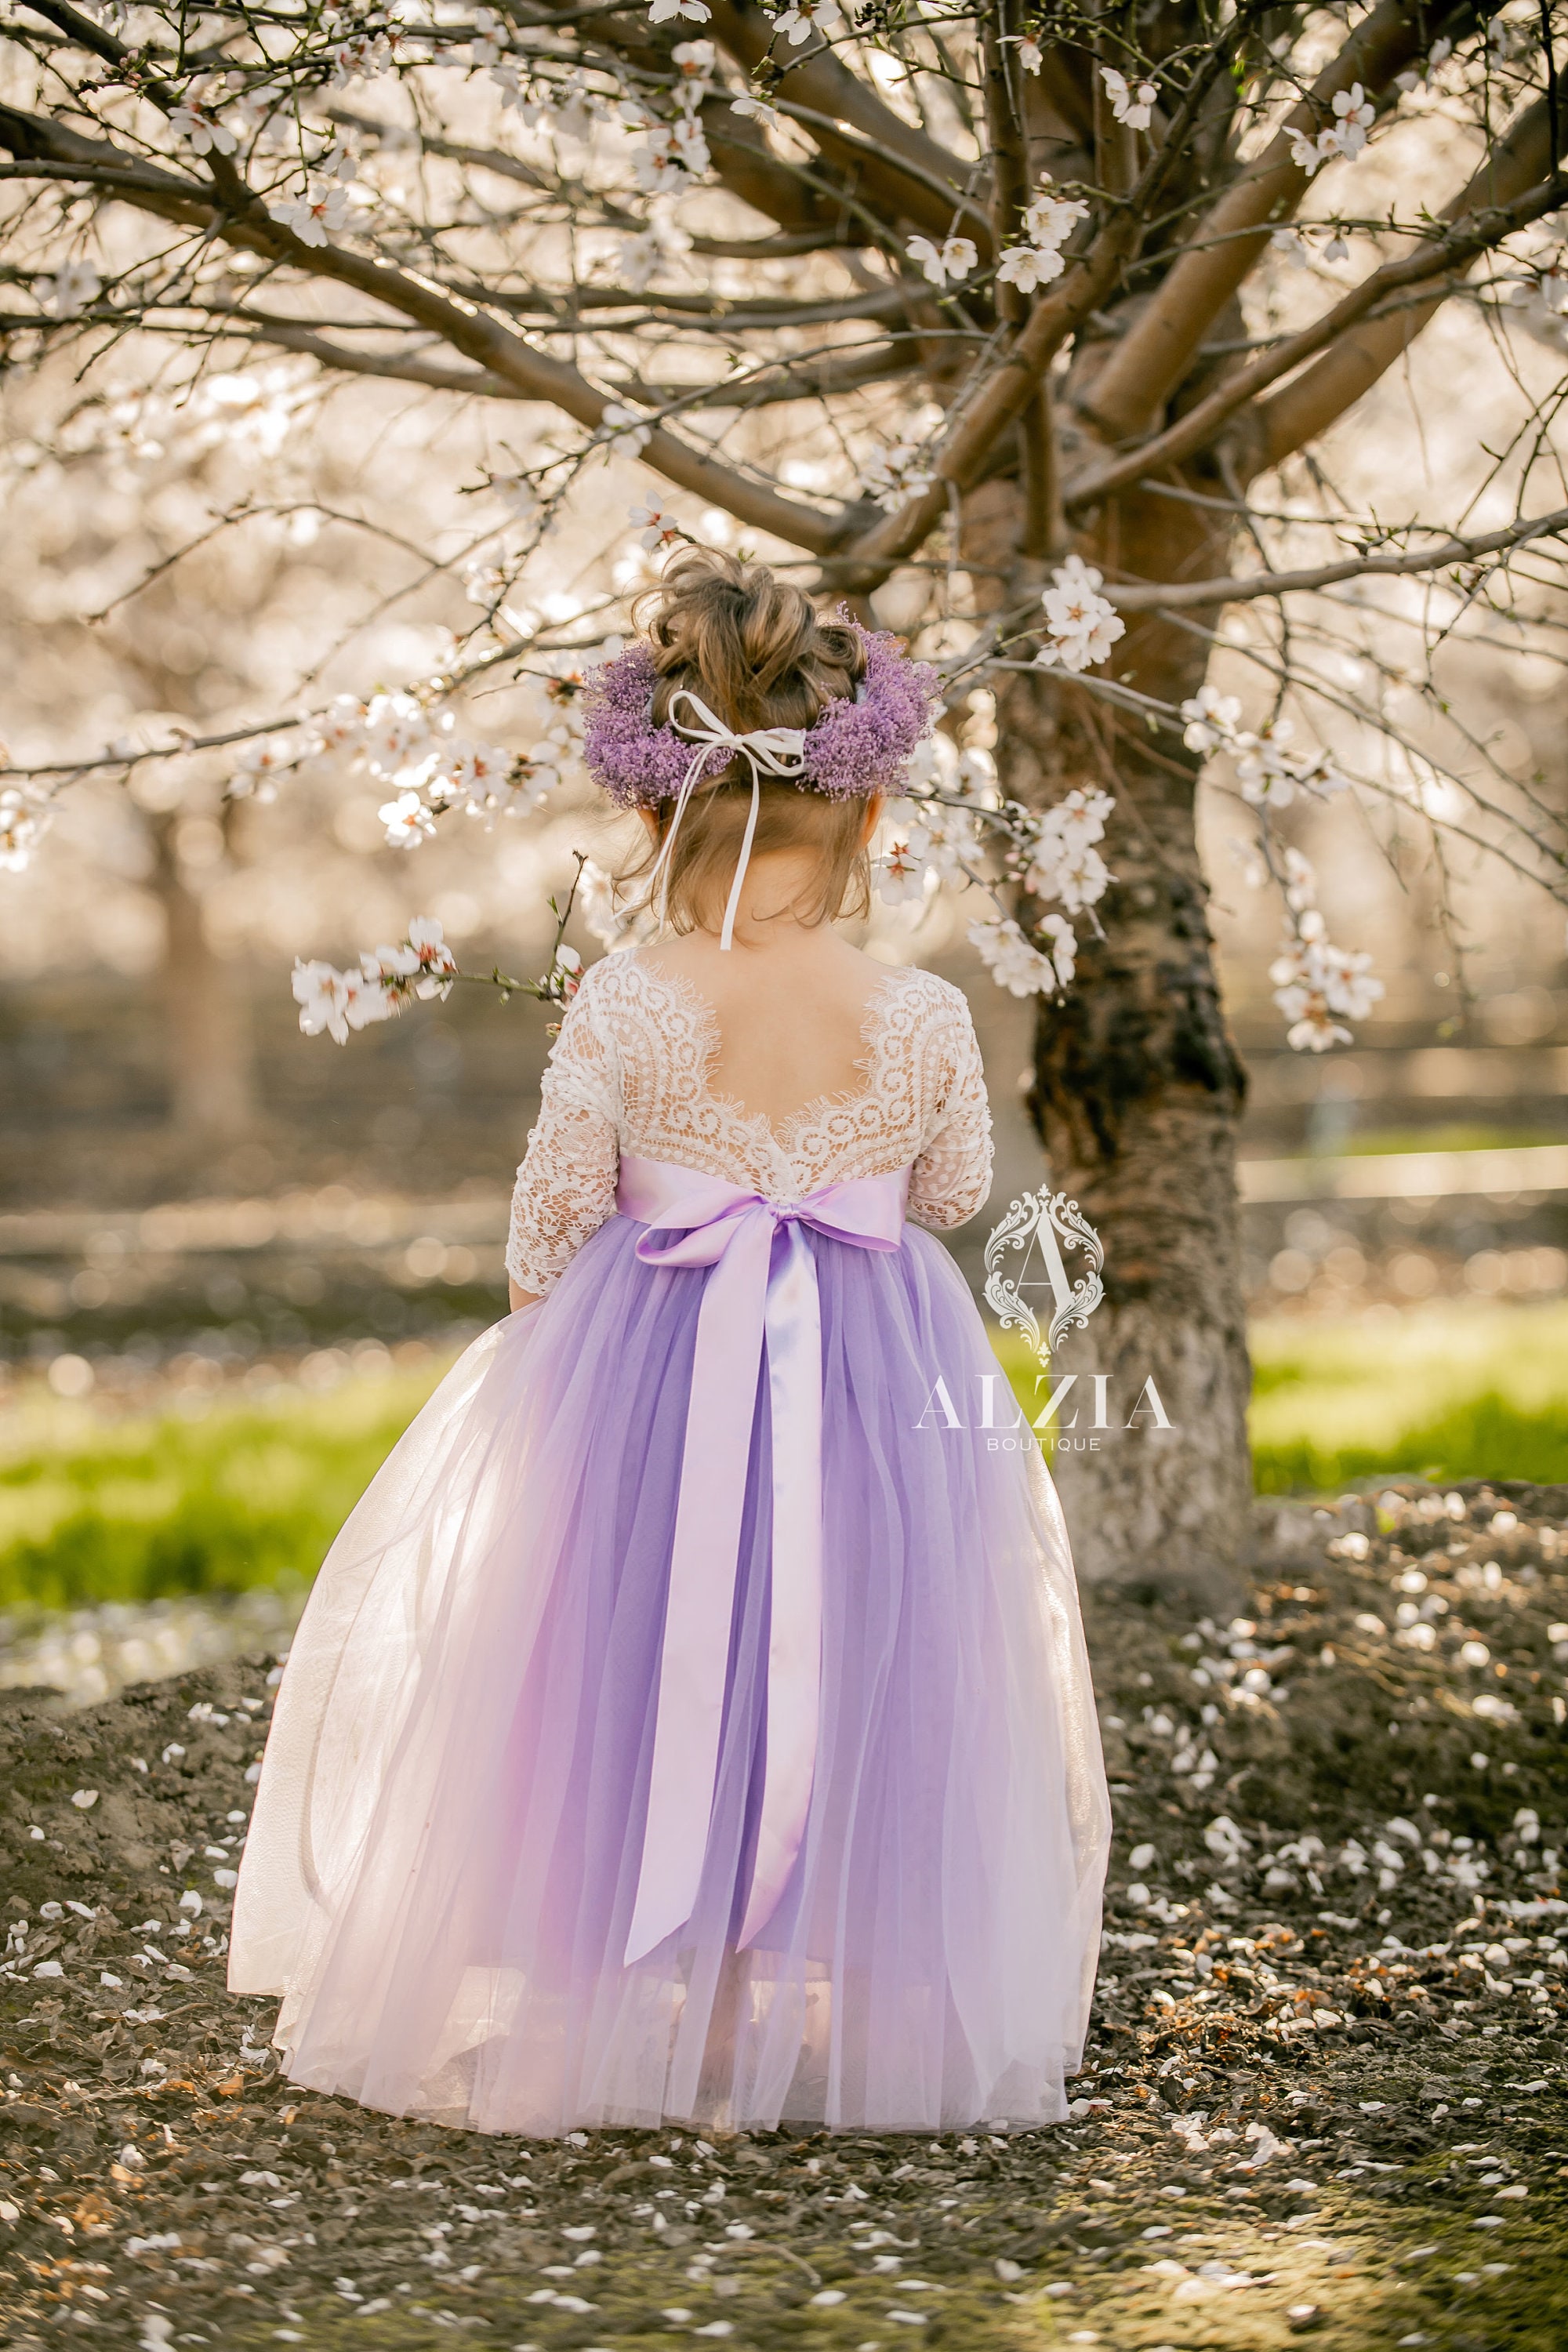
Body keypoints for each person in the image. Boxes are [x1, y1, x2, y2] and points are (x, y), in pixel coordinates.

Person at [230, 549, 1109, 2135]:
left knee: (642, 1655)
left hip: (654, 1362)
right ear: (869, 823)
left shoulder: (627, 999)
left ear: (650, 822)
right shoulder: (915, 1013)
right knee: (853, 1654)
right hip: (870, 1377)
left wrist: (563, 1320)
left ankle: (663, 1988)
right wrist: (826, 1184)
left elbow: (545, 1219)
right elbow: (959, 1193)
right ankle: (830, 1981)